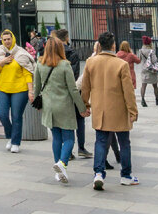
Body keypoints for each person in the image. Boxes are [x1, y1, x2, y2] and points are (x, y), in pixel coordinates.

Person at [81, 31, 139, 190]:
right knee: (124, 143)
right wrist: (133, 111)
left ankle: (98, 173)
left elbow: (85, 88)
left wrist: (84, 105)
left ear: (99, 45)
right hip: (119, 110)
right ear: (113, 45)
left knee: (100, 141)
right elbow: (128, 91)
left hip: (100, 109)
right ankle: (126, 175)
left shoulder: (90, 62)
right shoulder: (121, 64)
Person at [35, 35, 87, 184]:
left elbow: (37, 88)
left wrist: (38, 104)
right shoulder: (65, 65)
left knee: (56, 138)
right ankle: (62, 164)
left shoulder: (39, 64)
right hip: (64, 106)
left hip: (48, 107)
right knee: (69, 138)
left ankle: (58, 171)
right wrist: (82, 108)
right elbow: (73, 89)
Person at [0, 29, 35, 153]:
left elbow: (28, 73)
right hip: (4, 89)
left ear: (13, 38)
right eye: (4, 40)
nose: (7, 41)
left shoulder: (21, 54)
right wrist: (3, 62)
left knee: (16, 116)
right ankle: (10, 136)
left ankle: (15, 142)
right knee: (2, 114)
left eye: (8, 39)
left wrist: (30, 91)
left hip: (20, 90)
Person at [54, 29, 91, 159]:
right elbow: (75, 77)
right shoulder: (72, 53)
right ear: (67, 38)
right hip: (72, 91)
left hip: (57, 94)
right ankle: (81, 147)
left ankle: (67, 152)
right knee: (80, 120)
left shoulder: (52, 54)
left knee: (63, 124)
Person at [137, 37, 158, 106]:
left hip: (144, 69)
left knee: (143, 85)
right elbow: (154, 60)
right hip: (151, 70)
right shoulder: (151, 51)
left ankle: (142, 100)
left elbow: (139, 59)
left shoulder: (140, 50)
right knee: (155, 85)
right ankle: (156, 100)